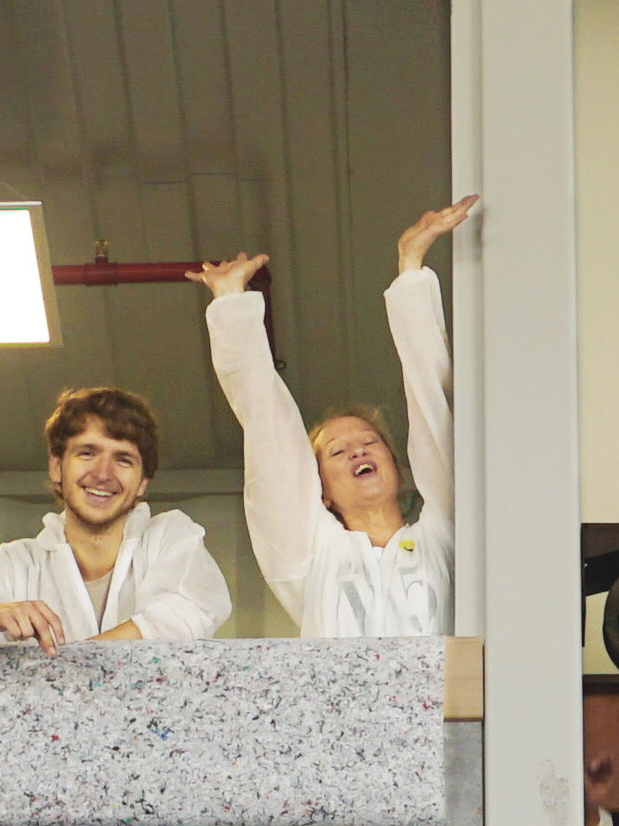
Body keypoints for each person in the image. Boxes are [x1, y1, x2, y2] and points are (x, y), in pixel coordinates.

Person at [195, 201, 468, 638]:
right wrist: (230, 304)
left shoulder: (449, 538)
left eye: (369, 441)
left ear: (398, 467)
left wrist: (411, 269)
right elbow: (270, 435)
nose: (357, 449)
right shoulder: (308, 554)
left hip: (446, 708)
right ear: (318, 491)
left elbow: (435, 412)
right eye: (337, 452)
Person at [0, 382, 233, 650]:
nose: (103, 474)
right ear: (56, 467)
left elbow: (180, 618)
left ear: (143, 482)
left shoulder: (170, 538)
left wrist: (65, 677)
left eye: (124, 460)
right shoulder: (17, 563)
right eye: (87, 453)